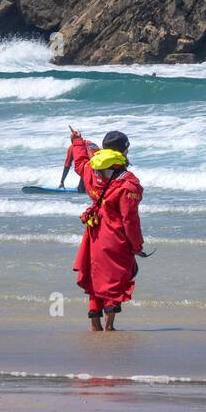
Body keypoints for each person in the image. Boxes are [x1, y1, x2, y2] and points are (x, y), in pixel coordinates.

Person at [70, 128, 145, 332]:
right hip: (115, 235)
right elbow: (130, 219)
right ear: (124, 151)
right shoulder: (128, 182)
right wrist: (137, 245)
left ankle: (95, 324)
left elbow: (79, 163)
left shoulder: (89, 169)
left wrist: (77, 141)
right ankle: (109, 326)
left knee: (95, 276)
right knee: (115, 277)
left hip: (94, 231)